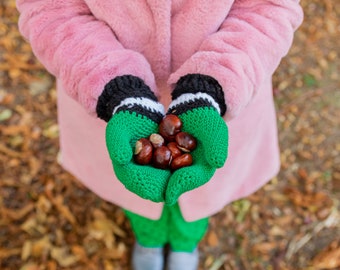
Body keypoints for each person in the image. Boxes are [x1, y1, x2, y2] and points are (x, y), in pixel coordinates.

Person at [16, 1, 303, 269]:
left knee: (200, 196)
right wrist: (114, 86)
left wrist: (214, 81)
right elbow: (49, 7)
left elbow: (271, 7)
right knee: (136, 193)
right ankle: (149, 239)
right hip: (104, 100)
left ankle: (185, 244)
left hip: (228, 94)